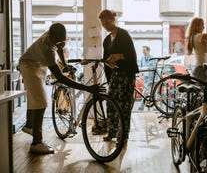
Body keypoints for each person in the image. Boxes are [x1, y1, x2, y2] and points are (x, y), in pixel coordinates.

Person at [19, 23, 102, 154]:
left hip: (38, 63)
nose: (62, 44)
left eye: (64, 40)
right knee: (41, 102)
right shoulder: (46, 47)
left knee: (34, 98)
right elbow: (60, 78)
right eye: (60, 41)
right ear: (52, 37)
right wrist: (87, 88)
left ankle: (30, 126)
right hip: (29, 65)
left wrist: (65, 64)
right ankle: (36, 143)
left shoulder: (53, 36)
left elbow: (59, 47)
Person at [98, 9, 139, 142]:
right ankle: (112, 131)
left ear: (113, 20)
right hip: (115, 75)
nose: (105, 26)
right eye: (103, 24)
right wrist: (108, 65)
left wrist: (118, 56)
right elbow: (105, 60)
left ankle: (123, 135)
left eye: (107, 22)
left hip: (127, 75)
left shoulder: (123, 34)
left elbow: (132, 56)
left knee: (124, 105)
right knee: (111, 104)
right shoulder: (106, 40)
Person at [138, 46, 155, 110]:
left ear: (148, 51)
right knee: (149, 93)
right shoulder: (142, 59)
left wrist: (147, 68)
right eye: (143, 51)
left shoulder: (152, 58)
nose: (143, 52)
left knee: (145, 92)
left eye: (144, 50)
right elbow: (141, 67)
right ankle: (153, 107)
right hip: (146, 79)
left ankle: (141, 107)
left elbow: (153, 68)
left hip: (152, 79)